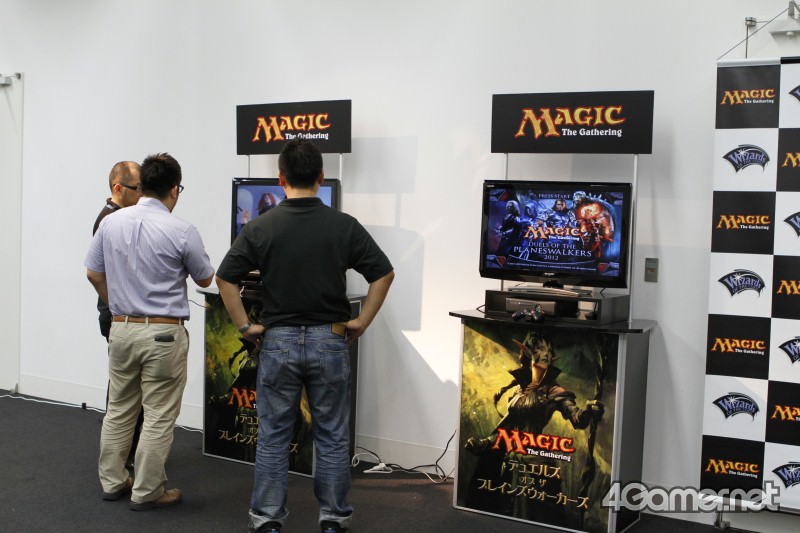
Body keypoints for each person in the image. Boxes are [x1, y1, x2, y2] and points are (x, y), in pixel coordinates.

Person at [215, 139, 394, 533]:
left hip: (277, 342)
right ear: (321, 177)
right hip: (330, 341)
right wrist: (362, 321)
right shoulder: (343, 225)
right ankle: (333, 520)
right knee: (331, 436)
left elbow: (224, 278)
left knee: (274, 437)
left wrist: (245, 326)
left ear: (281, 179)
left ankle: (267, 521)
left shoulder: (260, 226)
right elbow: (384, 273)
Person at [85, 153, 215, 510]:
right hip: (163, 334)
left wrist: (117, 305)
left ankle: (113, 482)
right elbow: (205, 278)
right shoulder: (182, 229)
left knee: (119, 410)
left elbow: (93, 273)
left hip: (122, 329)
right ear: (174, 190)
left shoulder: (110, 223)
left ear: (142, 186)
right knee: (158, 414)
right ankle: (147, 491)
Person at [92, 161, 144, 472]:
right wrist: (117, 307)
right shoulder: (110, 221)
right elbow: (95, 273)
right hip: (117, 316)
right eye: (138, 189)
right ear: (118, 188)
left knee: (126, 390)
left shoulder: (119, 218)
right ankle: (121, 459)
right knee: (123, 394)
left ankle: (125, 456)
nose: (143, 195)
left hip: (121, 315)